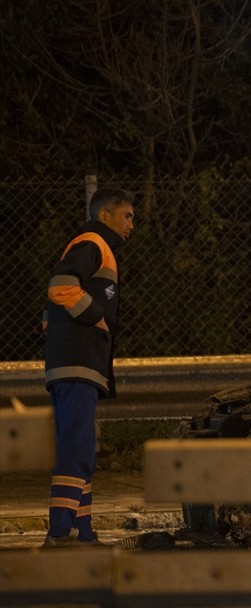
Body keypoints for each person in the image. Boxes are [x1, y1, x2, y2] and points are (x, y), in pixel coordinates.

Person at [42, 187, 135, 548]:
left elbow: (52, 303)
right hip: (78, 364)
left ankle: (82, 533)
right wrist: (96, 317)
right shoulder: (93, 243)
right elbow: (61, 286)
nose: (131, 224)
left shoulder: (91, 245)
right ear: (104, 215)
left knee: (79, 448)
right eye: (127, 216)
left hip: (74, 364)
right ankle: (61, 533)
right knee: (76, 450)